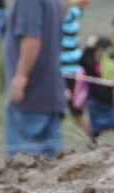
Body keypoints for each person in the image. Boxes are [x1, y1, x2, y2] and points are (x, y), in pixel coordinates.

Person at [6, 0, 68, 156]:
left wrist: (21, 76)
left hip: (31, 97)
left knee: (23, 169)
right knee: (52, 170)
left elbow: (32, 38)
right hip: (50, 94)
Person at [81, 34, 114, 140]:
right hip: (95, 103)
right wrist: (89, 47)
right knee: (95, 131)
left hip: (109, 103)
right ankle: (92, 147)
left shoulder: (110, 63)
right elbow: (82, 61)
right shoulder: (91, 64)